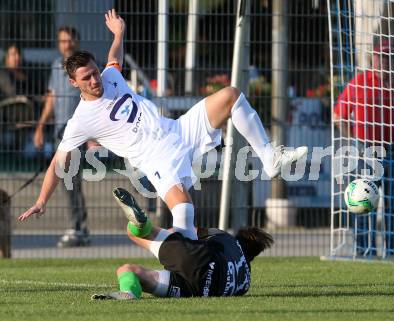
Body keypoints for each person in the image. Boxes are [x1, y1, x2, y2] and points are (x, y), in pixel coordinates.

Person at [18, 9, 308, 241]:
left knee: (231, 96)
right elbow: (59, 161)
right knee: (184, 212)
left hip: (178, 131)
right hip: (155, 158)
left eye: (94, 73)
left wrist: (119, 32)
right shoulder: (80, 119)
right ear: (73, 83)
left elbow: (114, 57)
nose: (95, 80)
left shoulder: (110, 77)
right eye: (87, 78)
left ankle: (270, 160)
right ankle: (183, 271)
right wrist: (42, 200)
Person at [91, 187, 273, 299]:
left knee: (135, 233)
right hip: (196, 291)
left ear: (241, 237)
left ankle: (142, 225)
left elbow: (192, 231)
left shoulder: (226, 238)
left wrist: (170, 237)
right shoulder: (246, 282)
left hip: (200, 261)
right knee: (129, 271)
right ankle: (129, 293)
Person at [333, 37, 394, 257]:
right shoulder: (359, 82)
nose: (386, 61)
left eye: (391, 57)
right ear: (373, 59)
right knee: (363, 200)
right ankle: (364, 249)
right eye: (382, 57)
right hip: (366, 150)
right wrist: (356, 141)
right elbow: (338, 115)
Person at [33, 26, 90, 247]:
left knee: (71, 179)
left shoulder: (84, 67)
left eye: (70, 41)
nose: (67, 45)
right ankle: (79, 227)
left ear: (77, 41)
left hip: (78, 132)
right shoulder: (57, 66)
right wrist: (40, 126)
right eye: (63, 41)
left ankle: (78, 227)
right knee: (68, 180)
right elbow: (52, 96)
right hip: (59, 133)